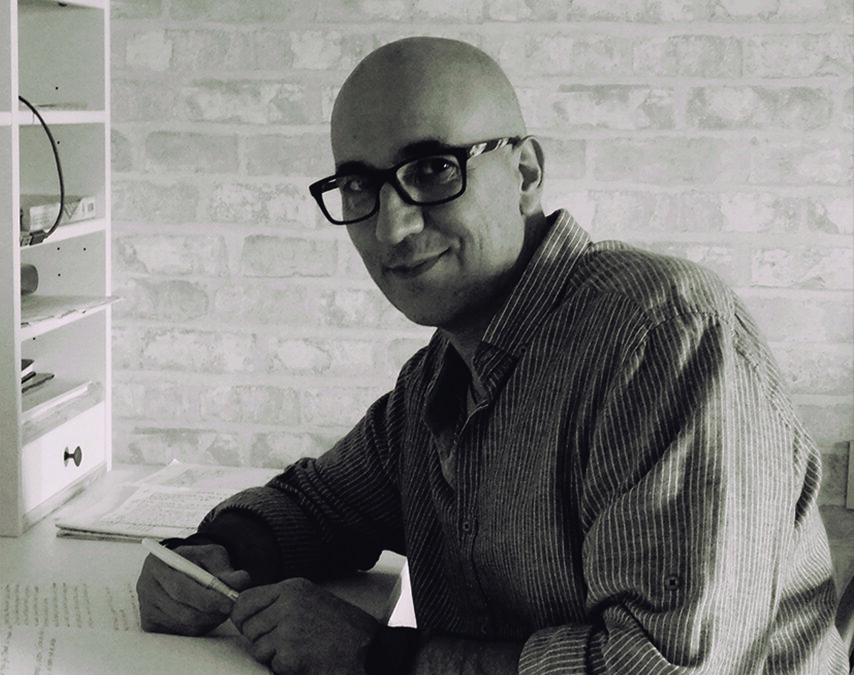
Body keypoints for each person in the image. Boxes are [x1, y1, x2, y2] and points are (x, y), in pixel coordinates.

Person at [136, 36, 848, 674]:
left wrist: (375, 655)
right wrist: (218, 553)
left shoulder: (661, 338)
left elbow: (660, 667)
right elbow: (320, 503)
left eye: (433, 168)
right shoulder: (439, 376)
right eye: (359, 185)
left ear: (526, 173)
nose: (392, 226)